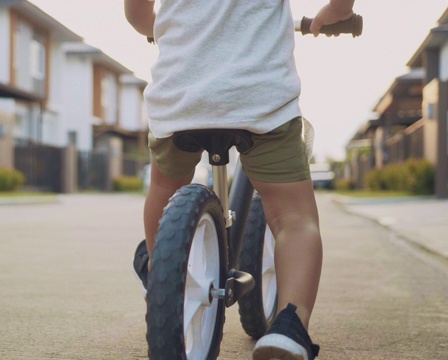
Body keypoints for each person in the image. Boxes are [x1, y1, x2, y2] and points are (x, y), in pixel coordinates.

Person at [125, 0, 356, 359]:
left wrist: (161, 27)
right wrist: (336, 13)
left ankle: (162, 275)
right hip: (258, 96)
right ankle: (290, 327)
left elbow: (138, 15)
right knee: (294, 218)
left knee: (163, 188)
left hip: (181, 94)